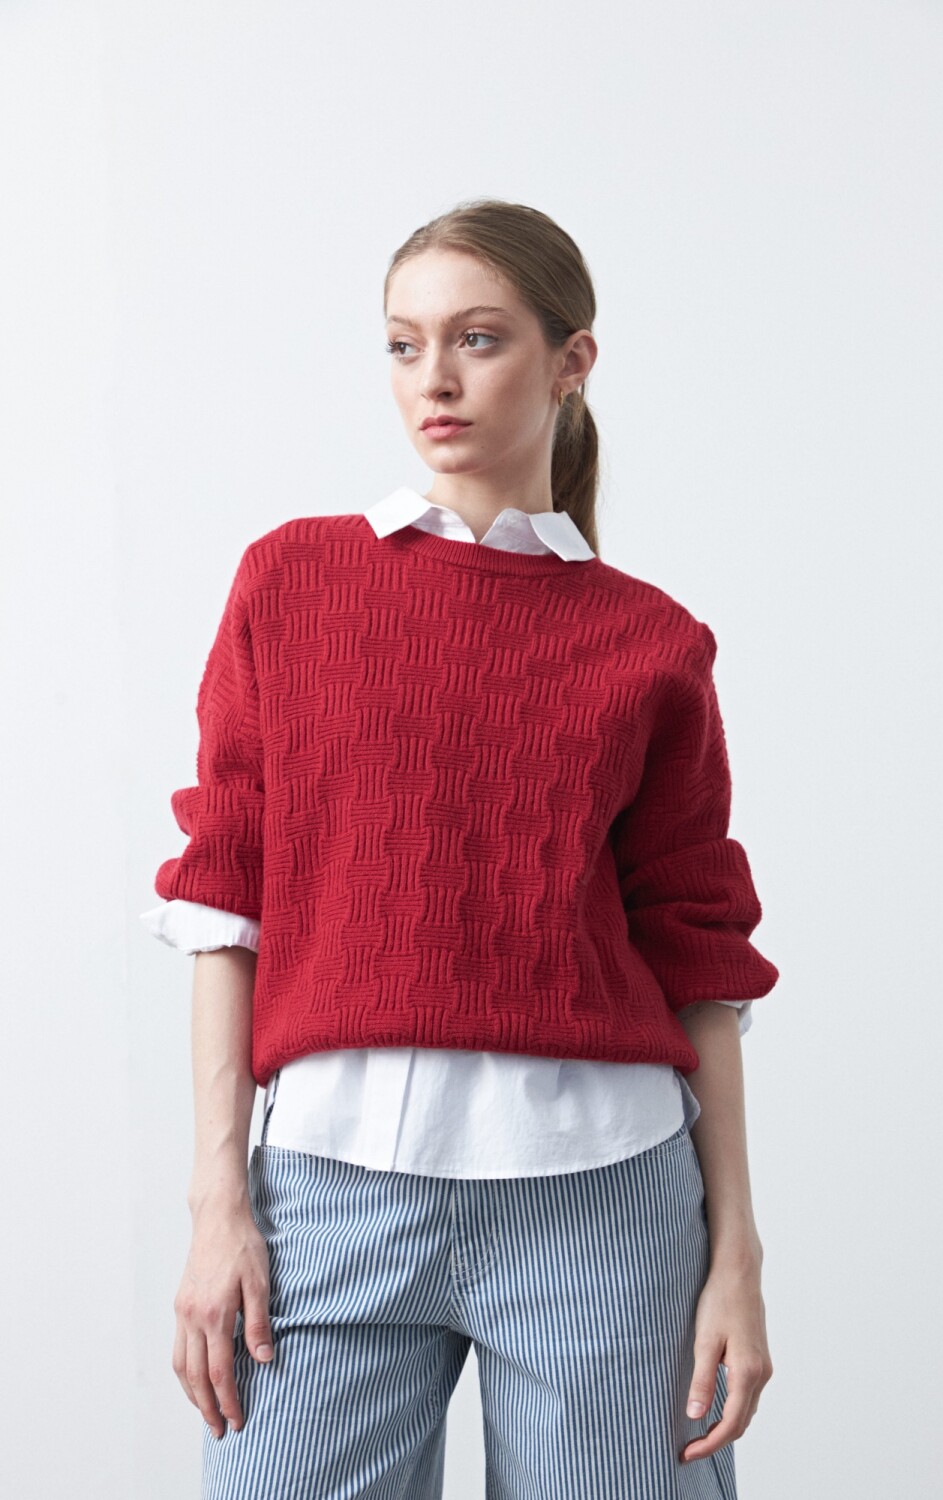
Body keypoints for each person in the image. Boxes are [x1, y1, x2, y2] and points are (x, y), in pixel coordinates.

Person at [141, 198, 778, 1500]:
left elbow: (698, 955)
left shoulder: (652, 641)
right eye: (404, 343)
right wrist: (217, 1205)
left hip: (604, 1202)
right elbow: (225, 900)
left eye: (477, 339)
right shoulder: (291, 583)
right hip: (327, 1193)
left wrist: (736, 1256)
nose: (433, 378)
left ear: (572, 359)